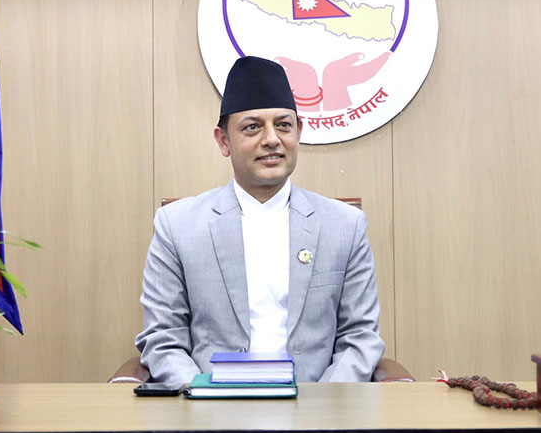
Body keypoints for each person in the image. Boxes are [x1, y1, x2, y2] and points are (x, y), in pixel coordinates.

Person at [135, 56, 385, 384]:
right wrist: (203, 397)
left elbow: (360, 337)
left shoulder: (345, 226)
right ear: (224, 141)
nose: (271, 139)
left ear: (298, 132)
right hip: (211, 406)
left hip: (315, 405)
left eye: (284, 125)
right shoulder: (177, 226)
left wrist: (320, 404)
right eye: (252, 127)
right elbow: (162, 338)